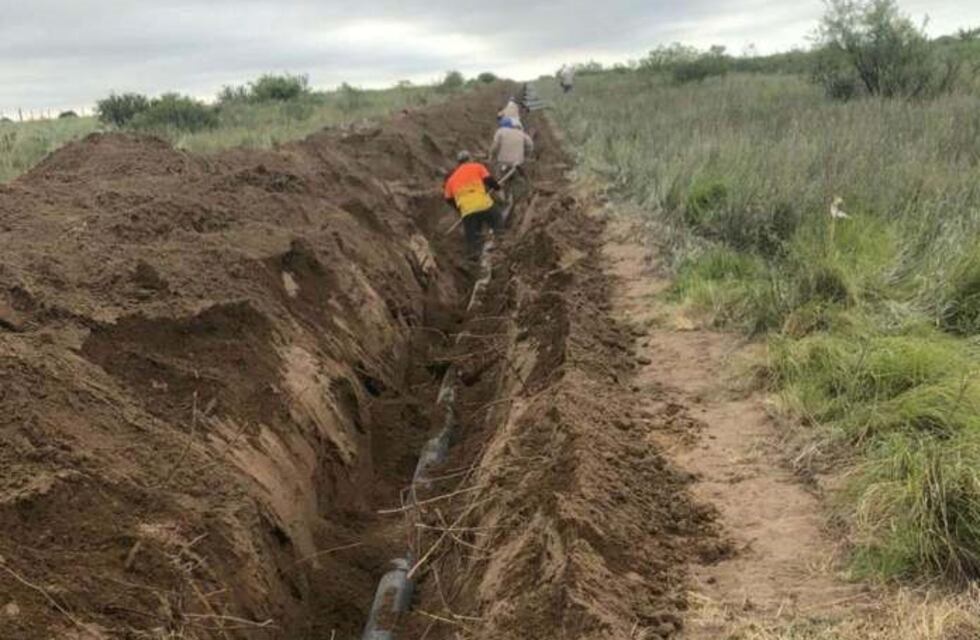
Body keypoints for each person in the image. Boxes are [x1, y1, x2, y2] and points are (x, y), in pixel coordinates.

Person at [443, 151, 502, 258]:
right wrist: (497, 187)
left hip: (467, 210)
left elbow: (448, 198)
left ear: (458, 163)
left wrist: (459, 208)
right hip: (483, 204)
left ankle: (473, 257)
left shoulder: (451, 179)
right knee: (497, 220)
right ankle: (500, 243)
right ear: (470, 159)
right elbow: (488, 180)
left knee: (472, 237)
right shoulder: (477, 167)